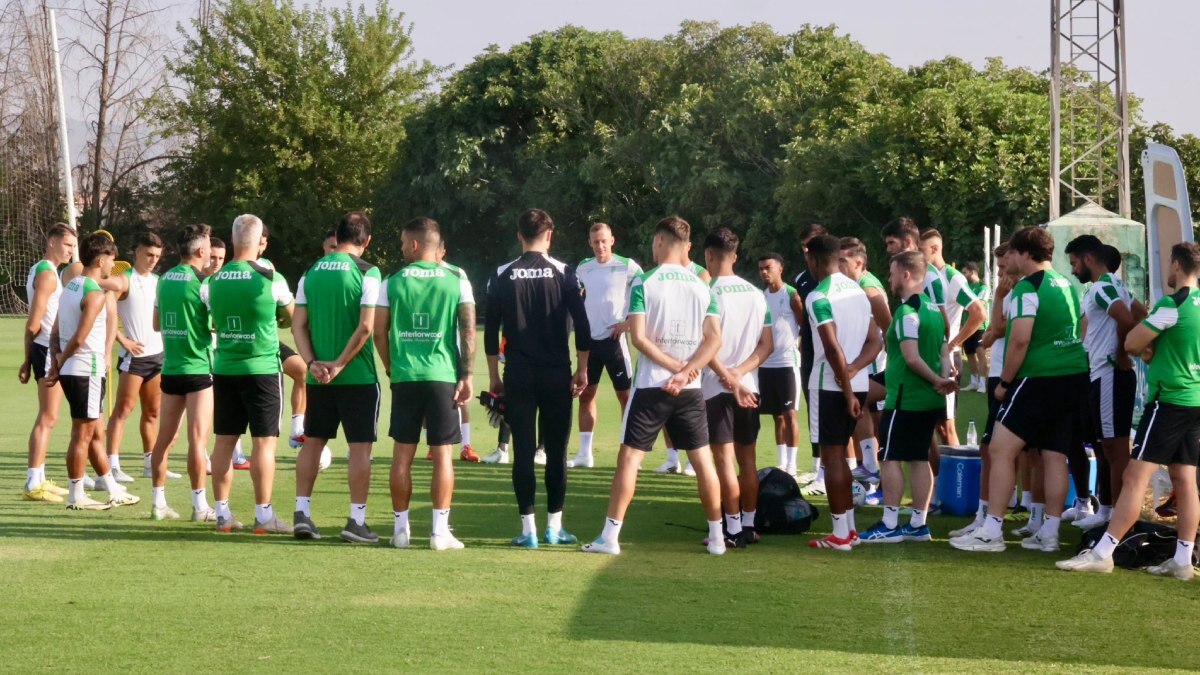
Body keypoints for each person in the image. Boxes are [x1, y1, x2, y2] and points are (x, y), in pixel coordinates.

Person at [581, 215, 726, 555]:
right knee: (703, 461)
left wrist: (676, 368)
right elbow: (714, 340)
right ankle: (718, 537)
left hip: (651, 387)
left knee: (629, 460)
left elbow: (640, 338)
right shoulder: (702, 285)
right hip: (690, 389)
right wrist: (688, 370)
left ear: (659, 241)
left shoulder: (645, 282)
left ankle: (610, 538)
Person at [1057, 242, 1200, 579]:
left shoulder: (1172, 305)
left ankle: (1104, 551)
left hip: (1169, 401)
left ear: (1176, 265)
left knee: (1135, 477)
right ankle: (1182, 560)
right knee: (1185, 480)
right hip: (1194, 401)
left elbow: (1133, 341)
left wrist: (1148, 353)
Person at [951, 226, 1088, 553]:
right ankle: (1049, 533)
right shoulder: (1069, 283)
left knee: (1000, 450)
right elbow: (1082, 325)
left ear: (1026, 253)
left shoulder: (1029, 287)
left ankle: (992, 532)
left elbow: (1020, 339)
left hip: (1039, 378)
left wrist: (1007, 383)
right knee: (1055, 454)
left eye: (1012, 252)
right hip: (1074, 375)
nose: (1009, 257)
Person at [485, 208, 591, 548]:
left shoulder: (501, 274)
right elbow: (584, 327)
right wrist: (583, 368)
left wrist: (493, 377)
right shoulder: (565, 273)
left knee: (523, 450)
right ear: (550, 235)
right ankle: (554, 527)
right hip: (556, 373)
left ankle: (528, 531)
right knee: (557, 451)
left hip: (518, 373)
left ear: (519, 235)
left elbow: (491, 334)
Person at [375, 218, 475, 549]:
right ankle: (438, 532)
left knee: (401, 456)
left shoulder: (391, 282)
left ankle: (401, 531)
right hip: (442, 376)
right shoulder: (457, 279)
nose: (402, 248)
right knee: (443, 454)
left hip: (405, 376)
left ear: (415, 245)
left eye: (404, 243)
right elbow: (468, 331)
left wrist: (391, 367)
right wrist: (467, 374)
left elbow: (379, 331)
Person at [291, 211, 382, 543]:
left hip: (318, 378)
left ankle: (302, 513)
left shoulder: (311, 272)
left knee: (313, 442)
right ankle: (356, 521)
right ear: (366, 240)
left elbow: (297, 324)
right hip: (356, 375)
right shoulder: (368, 272)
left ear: (338, 235)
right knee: (360, 450)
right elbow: (367, 326)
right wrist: (341, 363)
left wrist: (313, 362)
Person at [205, 214, 295, 534]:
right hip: (262, 370)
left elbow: (209, 318)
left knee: (224, 445)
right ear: (260, 242)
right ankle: (263, 516)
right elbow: (291, 317)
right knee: (264, 446)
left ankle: (222, 515)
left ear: (231, 241)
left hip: (225, 369)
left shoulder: (212, 281)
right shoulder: (271, 278)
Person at [860, 251, 954, 543]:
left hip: (905, 400)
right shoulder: (932, 310)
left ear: (906, 274)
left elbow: (911, 358)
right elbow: (942, 351)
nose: (888, 279)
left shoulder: (906, 312)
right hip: (928, 400)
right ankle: (918, 524)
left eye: (891, 273)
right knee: (918, 458)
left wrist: (939, 380)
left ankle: (889, 524)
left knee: (889, 458)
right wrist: (943, 380)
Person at [46, 232, 140, 510]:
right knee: (83, 435)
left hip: (74, 369)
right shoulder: (94, 294)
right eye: (111, 260)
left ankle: (111, 488)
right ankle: (77, 496)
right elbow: (79, 337)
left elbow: (56, 331)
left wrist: (56, 360)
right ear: (100, 260)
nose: (114, 265)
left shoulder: (71, 286)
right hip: (86, 369)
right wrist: (60, 362)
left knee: (93, 432)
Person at [803, 234, 882, 550]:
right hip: (858, 383)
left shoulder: (818, 296)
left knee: (832, 459)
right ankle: (848, 529)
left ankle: (839, 534)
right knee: (842, 461)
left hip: (830, 385)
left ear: (813, 260)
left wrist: (845, 385)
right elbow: (875, 342)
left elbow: (832, 347)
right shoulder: (859, 291)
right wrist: (853, 373)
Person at [702, 227, 773, 547]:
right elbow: (766, 345)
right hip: (749, 385)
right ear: (736, 255)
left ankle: (731, 530)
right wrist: (740, 372)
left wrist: (727, 377)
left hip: (717, 387)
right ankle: (748, 525)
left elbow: (706, 344)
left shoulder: (707, 293)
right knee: (747, 460)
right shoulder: (757, 294)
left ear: (708, 256)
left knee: (723, 461)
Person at [1067, 236, 1141, 530]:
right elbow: (1142, 315)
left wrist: (1123, 353)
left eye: (1074, 263)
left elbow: (1127, 320)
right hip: (1105, 373)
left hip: (1110, 373)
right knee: (1108, 446)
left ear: (1088, 259)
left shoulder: (1102, 287)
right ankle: (1109, 511)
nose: (1073, 270)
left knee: (1115, 447)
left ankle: (1120, 521)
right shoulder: (1117, 286)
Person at [147, 224, 216, 521]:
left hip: (171, 367)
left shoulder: (162, 280)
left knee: (164, 438)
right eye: (210, 247)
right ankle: (200, 506)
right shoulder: (203, 282)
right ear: (201, 251)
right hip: (198, 367)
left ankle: (158, 503)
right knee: (198, 440)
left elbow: (157, 324)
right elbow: (217, 323)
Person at [950, 243, 1016, 538]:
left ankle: (992, 520)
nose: (1001, 274)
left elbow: (998, 329)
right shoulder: (1017, 291)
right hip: (1001, 373)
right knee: (993, 448)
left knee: (997, 449)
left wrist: (1000, 298)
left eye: (1004, 267)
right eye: (998, 268)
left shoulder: (1019, 292)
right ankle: (987, 513)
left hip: (1009, 376)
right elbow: (994, 331)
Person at [570, 222, 643, 469]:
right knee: (586, 394)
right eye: (595, 242)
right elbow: (575, 297)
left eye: (604, 241)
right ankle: (584, 454)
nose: (600, 246)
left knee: (625, 397)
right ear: (590, 243)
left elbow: (645, 294)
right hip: (590, 343)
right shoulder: (583, 268)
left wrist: (629, 323)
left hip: (615, 342)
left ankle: (630, 454)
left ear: (612, 240)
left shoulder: (628, 266)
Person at [20, 223, 77, 503]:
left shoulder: (47, 270)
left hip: (46, 351)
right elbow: (33, 323)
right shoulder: (46, 274)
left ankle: (39, 478)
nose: (71, 251)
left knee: (50, 417)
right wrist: (27, 357)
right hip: (44, 350)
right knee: (48, 417)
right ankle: (33, 482)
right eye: (67, 245)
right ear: (53, 242)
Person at [105, 232, 168, 484]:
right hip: (134, 359)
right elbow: (102, 294)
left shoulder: (159, 281)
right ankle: (112, 465)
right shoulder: (124, 280)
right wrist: (122, 340)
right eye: (149, 254)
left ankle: (150, 464)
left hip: (158, 356)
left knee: (153, 412)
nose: (152, 260)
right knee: (123, 410)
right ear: (138, 252)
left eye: (157, 256)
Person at [919, 229, 986, 447]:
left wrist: (953, 344)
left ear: (935, 249)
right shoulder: (927, 276)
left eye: (922, 250)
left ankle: (958, 478)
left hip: (947, 359)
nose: (919, 255)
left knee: (946, 427)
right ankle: (940, 478)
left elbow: (979, 312)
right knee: (932, 425)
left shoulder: (952, 278)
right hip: (932, 357)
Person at [838, 236, 891, 487]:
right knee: (863, 410)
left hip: (873, 363)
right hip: (867, 361)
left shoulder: (868, 289)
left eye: (843, 261)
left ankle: (872, 468)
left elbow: (888, 328)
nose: (838, 266)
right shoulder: (857, 285)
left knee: (863, 406)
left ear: (858, 263)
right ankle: (870, 469)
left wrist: (894, 363)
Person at [254, 223, 311, 454]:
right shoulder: (236, 268)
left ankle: (297, 430)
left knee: (301, 370)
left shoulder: (268, 267)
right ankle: (236, 451)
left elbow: (283, 310)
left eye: (265, 241)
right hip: (250, 345)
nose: (262, 244)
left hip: (270, 341)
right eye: (259, 239)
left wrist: (280, 318)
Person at [203, 235, 249, 470]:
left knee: (227, 406)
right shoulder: (203, 284)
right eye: (212, 256)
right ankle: (202, 454)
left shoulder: (226, 281)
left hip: (223, 350)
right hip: (204, 352)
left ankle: (237, 454)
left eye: (220, 257)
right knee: (206, 405)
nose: (216, 262)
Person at [756, 253, 803, 476]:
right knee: (777, 415)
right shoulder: (761, 297)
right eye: (761, 269)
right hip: (766, 365)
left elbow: (805, 326)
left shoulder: (792, 294)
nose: (764, 272)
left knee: (790, 413)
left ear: (780, 269)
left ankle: (792, 464)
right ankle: (782, 462)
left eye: (768, 268)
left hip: (787, 363)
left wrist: (800, 349)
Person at [436, 238, 480, 463]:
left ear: (443, 250)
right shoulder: (415, 273)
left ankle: (466, 445)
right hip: (429, 347)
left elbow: (466, 313)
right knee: (429, 401)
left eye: (439, 250)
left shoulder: (456, 274)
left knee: (461, 398)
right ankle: (433, 447)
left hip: (453, 345)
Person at [792, 223, 829, 485]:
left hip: (831, 351)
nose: (807, 249)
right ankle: (818, 466)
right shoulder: (801, 280)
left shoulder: (834, 279)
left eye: (812, 243)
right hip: (809, 351)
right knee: (813, 409)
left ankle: (845, 468)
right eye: (804, 245)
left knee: (833, 410)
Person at [960, 262, 990, 392]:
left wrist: (966, 307)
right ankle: (974, 382)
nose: (963, 275)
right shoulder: (965, 287)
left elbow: (979, 306)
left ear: (972, 272)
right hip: (968, 326)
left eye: (965, 272)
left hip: (980, 326)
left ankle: (983, 383)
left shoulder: (983, 287)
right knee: (970, 354)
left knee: (980, 352)